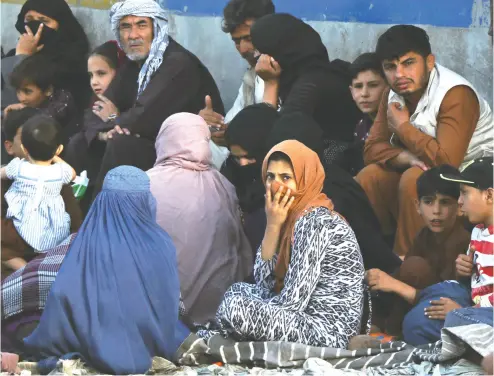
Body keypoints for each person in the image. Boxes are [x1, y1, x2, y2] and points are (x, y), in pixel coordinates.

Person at [23, 166, 190, 374]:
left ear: (101, 201)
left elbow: (63, 296)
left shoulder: (83, 245)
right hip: (153, 351)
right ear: (146, 201)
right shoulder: (161, 245)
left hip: (89, 352)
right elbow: (171, 305)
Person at [199, 140, 365, 348]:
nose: (276, 186)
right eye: (271, 177)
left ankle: (232, 332)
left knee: (236, 308)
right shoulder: (291, 218)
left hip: (328, 331)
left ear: (305, 180)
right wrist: (273, 225)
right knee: (237, 291)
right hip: (301, 317)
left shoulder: (316, 221)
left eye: (286, 177)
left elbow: (292, 303)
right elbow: (264, 283)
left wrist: (253, 313)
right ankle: (235, 331)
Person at [356, 25, 493, 256]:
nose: (399, 75)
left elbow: (448, 161)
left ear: (429, 62)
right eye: (390, 67)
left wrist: (403, 127)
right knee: (370, 177)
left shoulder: (454, 93)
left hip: (475, 172)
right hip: (427, 165)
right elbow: (371, 148)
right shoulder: (392, 92)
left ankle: (410, 264)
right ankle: (376, 256)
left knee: (415, 180)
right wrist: (406, 157)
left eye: (408, 63)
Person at [81, 0, 224, 200]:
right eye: (126, 27)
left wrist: (114, 118)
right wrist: (105, 133)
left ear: (156, 29)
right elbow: (96, 109)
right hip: (154, 143)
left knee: (122, 144)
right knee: (82, 142)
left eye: (141, 25)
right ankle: (80, 214)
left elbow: (142, 119)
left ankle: (103, 220)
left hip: (185, 152)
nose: (133, 35)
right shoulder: (135, 64)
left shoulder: (176, 63)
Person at [147, 113, 253, 324]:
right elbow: (240, 247)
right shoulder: (223, 185)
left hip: (158, 312)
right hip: (218, 313)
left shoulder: (143, 184)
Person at [366, 165, 470, 334]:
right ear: (417, 206)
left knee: (413, 268)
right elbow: (404, 275)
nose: (436, 211)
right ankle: (382, 326)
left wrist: (395, 285)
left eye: (445, 202)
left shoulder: (462, 241)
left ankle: (391, 332)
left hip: (445, 313)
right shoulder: (424, 235)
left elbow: (447, 297)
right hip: (421, 302)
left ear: (459, 206)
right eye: (428, 202)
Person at [250, 13, 362, 167]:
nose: (257, 56)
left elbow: (268, 139)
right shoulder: (313, 74)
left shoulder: (310, 85)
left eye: (262, 50)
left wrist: (270, 84)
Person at [402, 157, 493, 345]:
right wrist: (465, 273)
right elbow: (480, 285)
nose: (459, 202)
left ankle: (470, 349)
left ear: (489, 196)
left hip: (486, 315)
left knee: (419, 323)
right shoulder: (478, 231)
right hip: (474, 305)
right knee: (434, 300)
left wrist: (459, 313)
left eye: (465, 193)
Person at [1, 109, 82, 277]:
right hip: (49, 241)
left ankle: (28, 272)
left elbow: (77, 226)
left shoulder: (16, 168)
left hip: (33, 245)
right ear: (9, 146)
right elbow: (71, 173)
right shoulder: (59, 175)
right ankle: (32, 272)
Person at [198, 0, 274, 167]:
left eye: (249, 38)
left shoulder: (285, 73)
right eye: (237, 41)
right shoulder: (251, 77)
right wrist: (210, 125)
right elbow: (233, 122)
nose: (243, 48)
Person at [64, 41, 127, 212]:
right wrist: (102, 136)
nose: (94, 82)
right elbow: (89, 128)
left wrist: (115, 118)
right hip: (92, 168)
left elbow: (133, 129)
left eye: (101, 73)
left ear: (121, 73)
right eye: (91, 75)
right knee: (77, 142)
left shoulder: (132, 98)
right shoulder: (96, 102)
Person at [1, 0, 90, 111]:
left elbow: (17, 102)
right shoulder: (13, 53)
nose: (35, 26)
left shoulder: (71, 63)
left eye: (44, 21)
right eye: (29, 20)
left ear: (61, 25)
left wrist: (21, 58)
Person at [5, 54, 78, 143]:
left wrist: (24, 111)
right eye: (18, 91)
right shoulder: (31, 102)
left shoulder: (63, 101)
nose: (21, 98)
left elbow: (45, 120)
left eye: (27, 91)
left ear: (48, 90)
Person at [340, 53, 388, 175]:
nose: (364, 93)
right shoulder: (360, 126)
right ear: (351, 91)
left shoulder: (396, 123)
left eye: (373, 85)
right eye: (358, 86)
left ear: (388, 87)